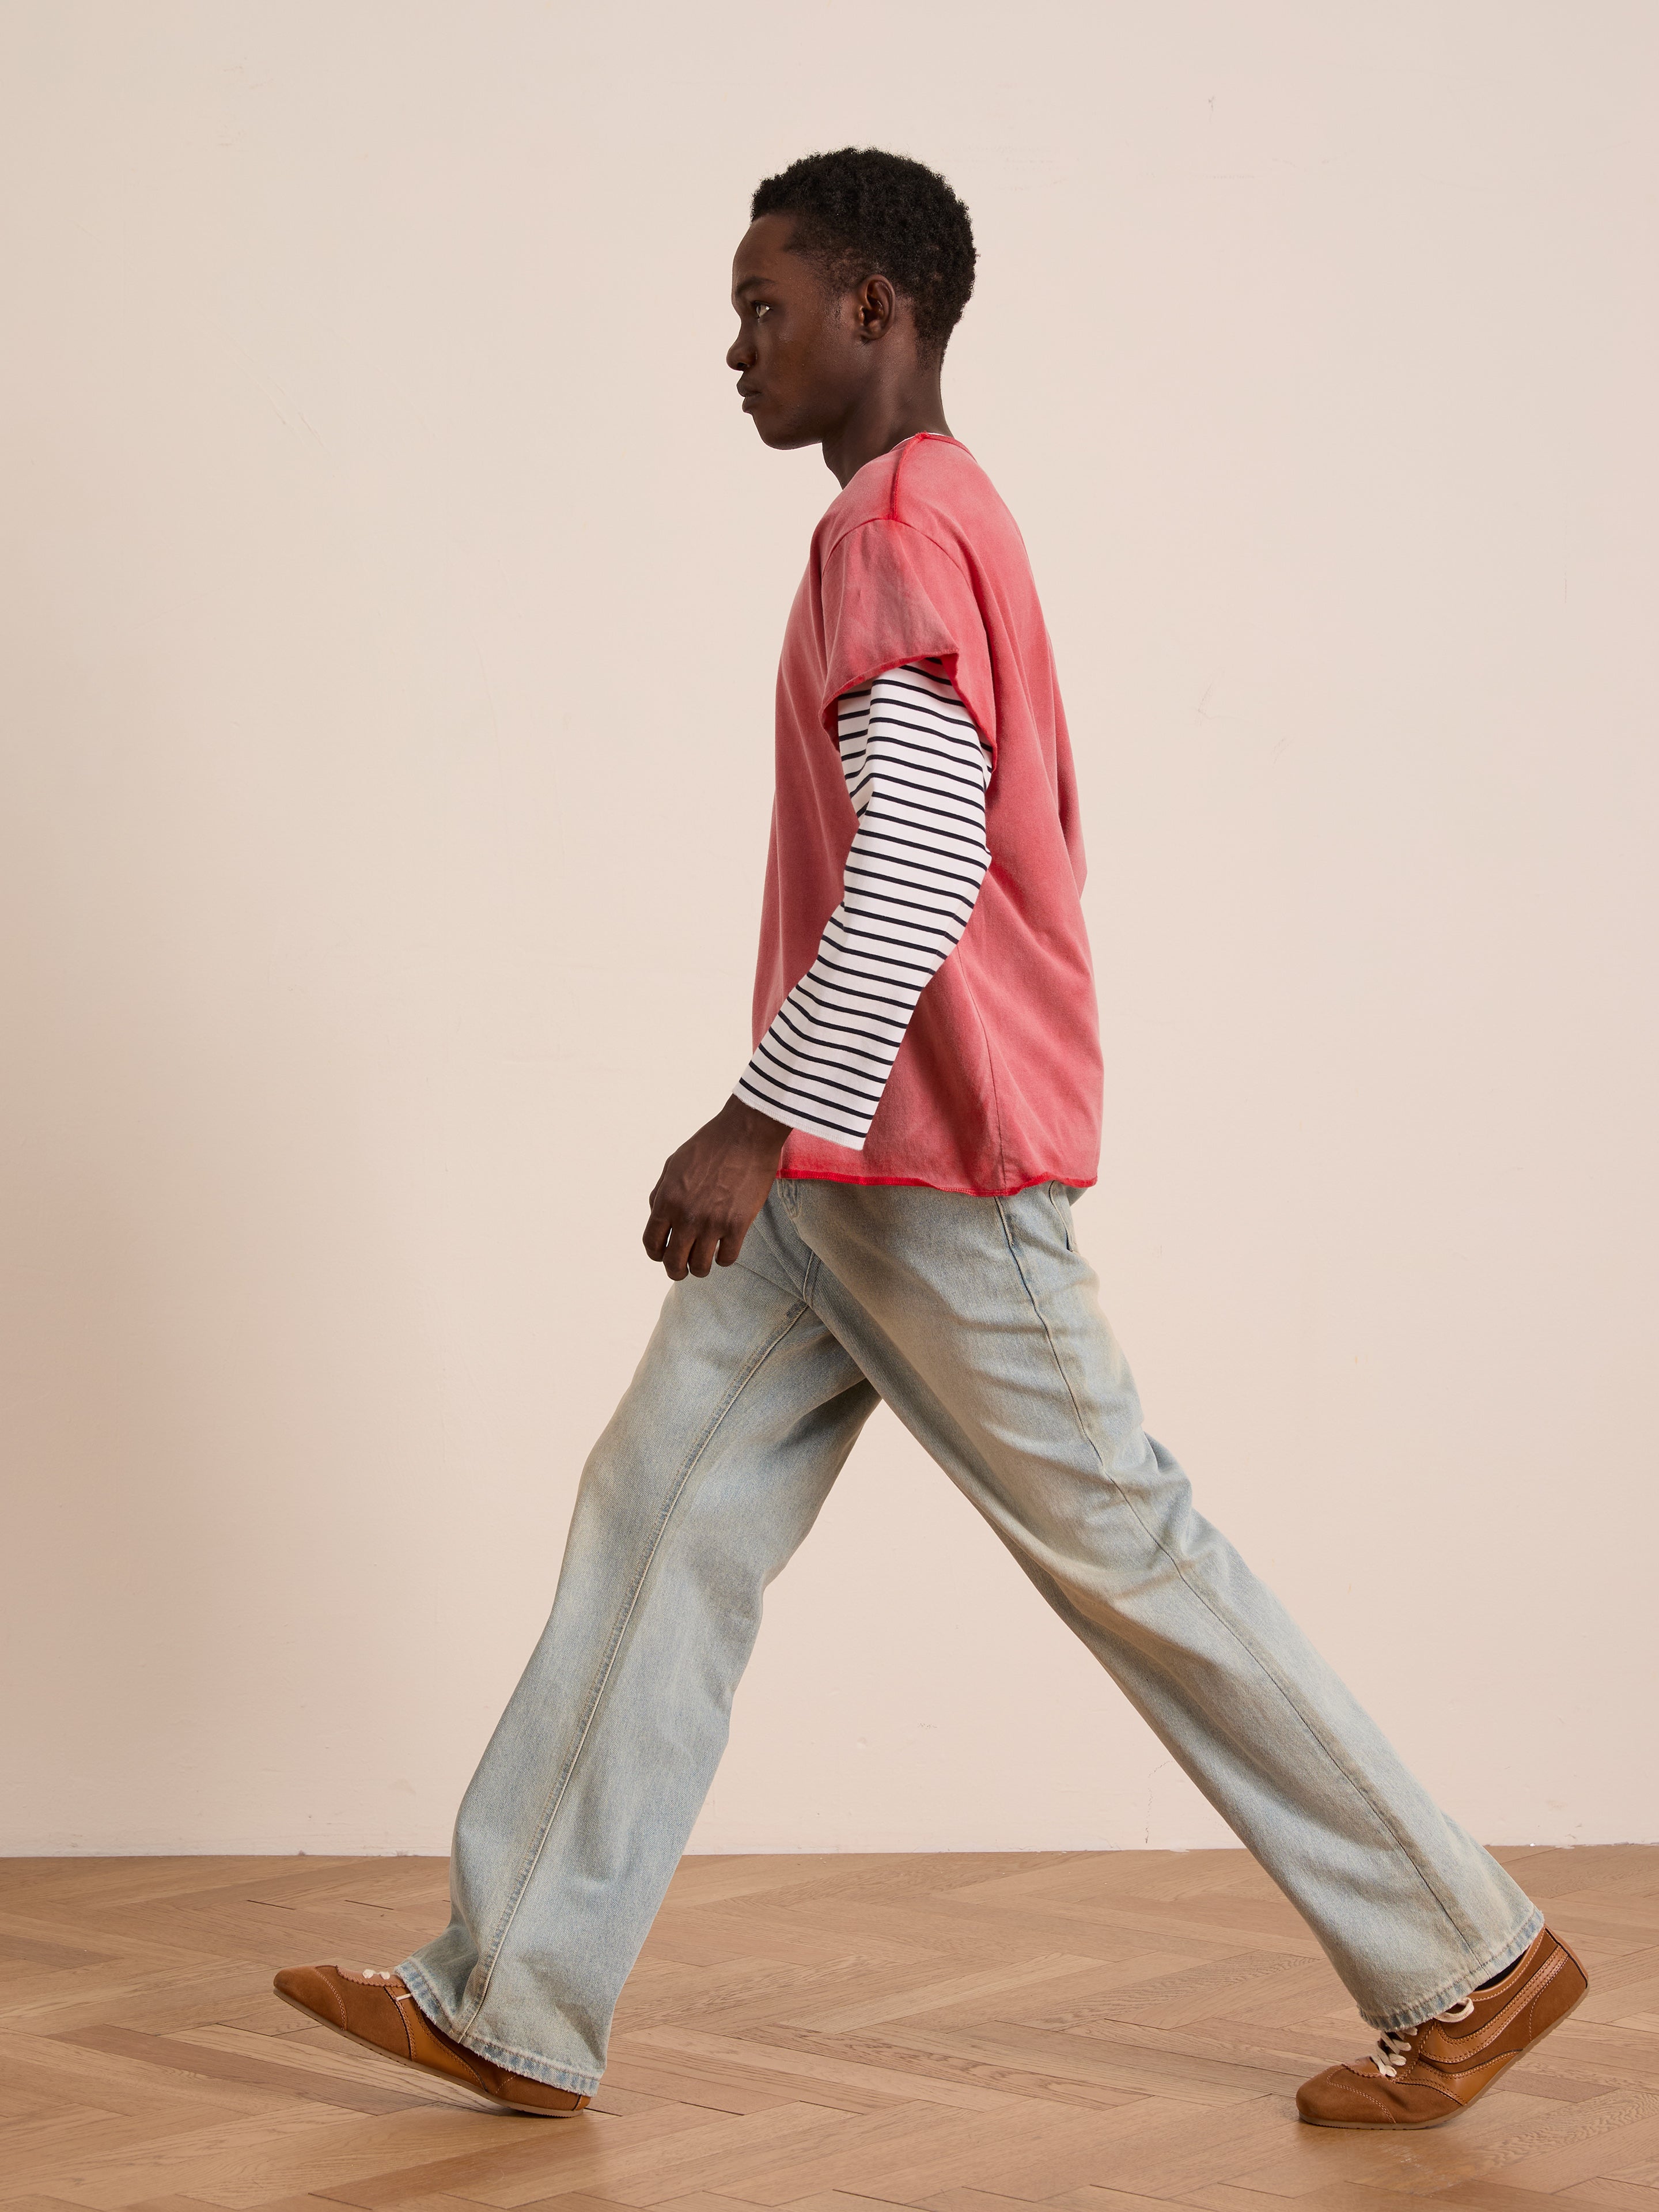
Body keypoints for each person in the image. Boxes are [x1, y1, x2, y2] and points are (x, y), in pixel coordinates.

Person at [275, 146, 1586, 2126]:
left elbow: (920, 859)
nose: (738, 347)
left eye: (766, 306)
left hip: (935, 1165)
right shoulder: (935, 517)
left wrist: (750, 1114)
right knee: (665, 1512)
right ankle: (515, 1988)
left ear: (877, 309)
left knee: (1133, 1555)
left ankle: (1466, 1950)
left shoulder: (894, 529)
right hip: (853, 1176)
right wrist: (795, 1140)